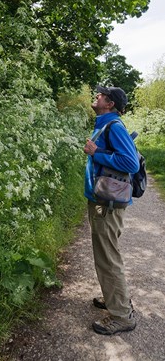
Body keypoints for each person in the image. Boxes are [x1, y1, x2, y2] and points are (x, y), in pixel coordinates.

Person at [83, 85, 140, 335]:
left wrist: (98, 153)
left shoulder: (114, 125)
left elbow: (131, 162)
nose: (97, 96)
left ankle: (121, 316)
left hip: (107, 204)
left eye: (102, 95)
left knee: (108, 257)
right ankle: (114, 298)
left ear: (110, 104)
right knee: (106, 254)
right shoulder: (106, 123)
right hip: (102, 200)